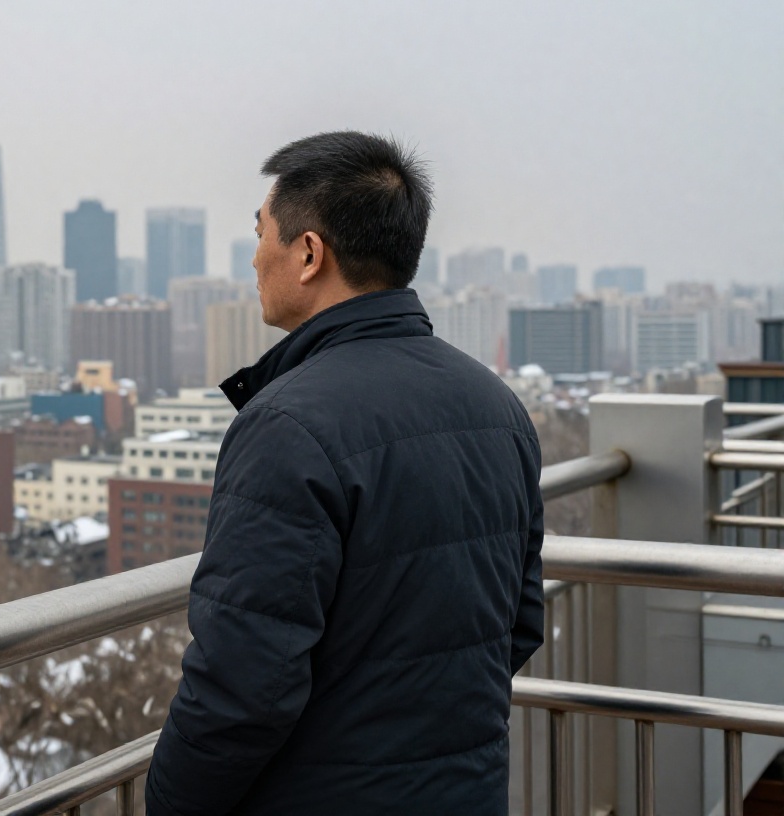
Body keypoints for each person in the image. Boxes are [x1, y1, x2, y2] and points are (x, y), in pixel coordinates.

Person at [145, 131, 544, 815]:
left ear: (308, 253)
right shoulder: (496, 405)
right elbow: (521, 620)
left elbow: (240, 686)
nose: (252, 257)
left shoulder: (288, 426)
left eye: (260, 233)